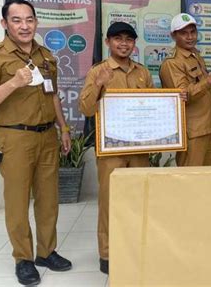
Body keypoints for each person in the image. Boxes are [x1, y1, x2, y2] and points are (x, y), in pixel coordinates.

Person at [0, 0, 72, 286]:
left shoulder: (46, 56)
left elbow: (52, 95)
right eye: (16, 20)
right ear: (5, 24)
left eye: (29, 19)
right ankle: (23, 258)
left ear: (36, 22)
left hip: (47, 137)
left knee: (48, 200)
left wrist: (63, 129)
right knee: (17, 203)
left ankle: (46, 251)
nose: (24, 25)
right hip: (14, 138)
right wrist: (13, 82)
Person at [79, 22, 154, 275]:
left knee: (138, 200)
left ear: (134, 43)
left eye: (129, 40)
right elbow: (86, 109)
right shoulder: (98, 71)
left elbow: (153, 106)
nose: (124, 44)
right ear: (108, 42)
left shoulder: (143, 73)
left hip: (139, 150)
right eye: (118, 39)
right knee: (110, 201)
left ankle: (135, 247)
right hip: (111, 150)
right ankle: (107, 253)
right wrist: (99, 84)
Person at [159, 13, 211, 166]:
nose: (190, 37)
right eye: (184, 33)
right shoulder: (172, 63)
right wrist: (210, 80)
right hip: (192, 132)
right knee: (189, 182)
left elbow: (202, 92)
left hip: (207, 128)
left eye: (193, 32)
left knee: (204, 181)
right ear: (173, 36)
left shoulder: (195, 55)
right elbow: (183, 96)